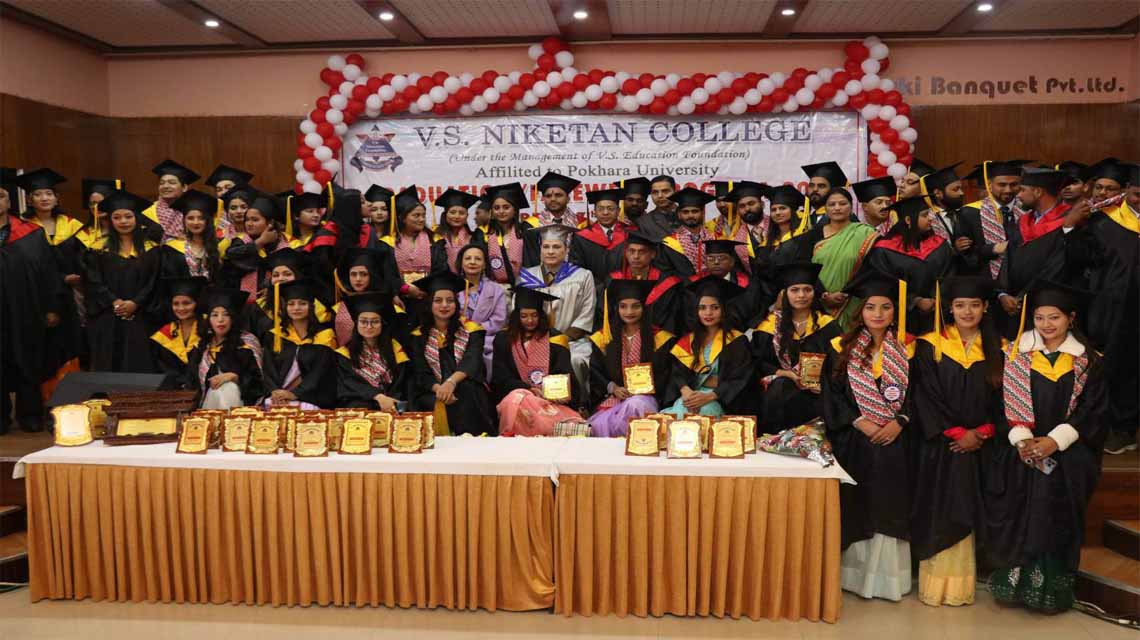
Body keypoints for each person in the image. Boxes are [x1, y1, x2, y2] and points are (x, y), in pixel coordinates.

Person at [984, 280, 1106, 613]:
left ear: (1071, 318)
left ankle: (1050, 591)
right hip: (1021, 452)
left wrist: (1056, 440)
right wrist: (1021, 437)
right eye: (1039, 318)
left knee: (1055, 515)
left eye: (1055, 317)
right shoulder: (1015, 354)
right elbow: (998, 403)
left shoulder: (1088, 361)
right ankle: (1014, 587)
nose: (1047, 325)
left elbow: (1093, 410)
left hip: (1067, 456)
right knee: (1019, 512)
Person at [910, 276, 1005, 607]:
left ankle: (963, 585)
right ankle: (935, 585)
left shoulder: (1000, 348)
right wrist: (955, 432)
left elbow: (1006, 399)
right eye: (960, 305)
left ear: (985, 308)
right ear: (949, 308)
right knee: (941, 510)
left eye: (975, 305)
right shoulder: (930, 345)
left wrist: (983, 432)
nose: (967, 312)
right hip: (941, 445)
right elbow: (924, 394)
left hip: (982, 445)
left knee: (970, 507)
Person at [821, 270, 915, 601]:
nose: (878, 314)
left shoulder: (909, 348)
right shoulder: (840, 347)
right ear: (860, 311)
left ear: (895, 312)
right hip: (855, 440)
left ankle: (889, 582)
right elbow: (831, 395)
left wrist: (900, 421)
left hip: (896, 441)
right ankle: (854, 578)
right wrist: (859, 421)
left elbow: (922, 393)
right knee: (858, 503)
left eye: (886, 307)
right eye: (871, 307)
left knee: (889, 503)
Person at [995, 168, 1094, 338]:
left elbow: (1059, 266)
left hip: (1049, 305)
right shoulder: (1024, 221)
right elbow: (1008, 259)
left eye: (1022, 190)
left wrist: (1023, 297)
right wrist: (1002, 293)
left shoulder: (1073, 219)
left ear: (1038, 192)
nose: (1018, 195)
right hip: (1015, 306)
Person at [0, 168, 62, 433]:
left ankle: (30, 414)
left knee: (27, 359)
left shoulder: (31, 234)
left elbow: (49, 274)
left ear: (9, 201)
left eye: (0, 196)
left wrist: (51, 308)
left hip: (25, 309)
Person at [751, 262, 840, 432]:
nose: (801, 295)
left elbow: (839, 362)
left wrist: (823, 382)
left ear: (814, 293)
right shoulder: (769, 326)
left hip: (817, 392)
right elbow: (757, 362)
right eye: (795, 290)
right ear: (785, 294)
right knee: (781, 386)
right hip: (778, 395)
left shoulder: (828, 325)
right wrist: (787, 374)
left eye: (807, 289)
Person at [14, 168, 84, 381]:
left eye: (49, 194)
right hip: (36, 296)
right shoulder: (20, 229)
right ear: (29, 200)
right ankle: (42, 394)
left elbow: (84, 259)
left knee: (70, 343)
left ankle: (69, 392)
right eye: (38, 194)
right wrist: (61, 278)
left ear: (56, 198)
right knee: (42, 346)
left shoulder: (73, 225)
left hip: (69, 297)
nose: (44, 198)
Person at [1088, 163, 1138, 455]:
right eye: (1136, 194)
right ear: (1127, 191)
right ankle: (1118, 429)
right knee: (1117, 367)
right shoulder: (1103, 223)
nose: (1138, 200)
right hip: (1115, 310)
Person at [83, 189, 161, 373]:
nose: (123, 221)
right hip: (108, 316)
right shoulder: (98, 249)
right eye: (117, 217)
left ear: (137, 218)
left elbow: (154, 281)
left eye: (128, 216)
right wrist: (115, 302)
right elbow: (93, 281)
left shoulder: (152, 249)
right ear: (110, 220)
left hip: (142, 315)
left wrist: (135, 303)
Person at [408, 270, 493, 436]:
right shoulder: (418, 336)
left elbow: (472, 361)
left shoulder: (472, 330)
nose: (444, 305)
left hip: (464, 386)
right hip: (432, 389)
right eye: (438, 300)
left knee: (466, 392)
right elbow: (420, 371)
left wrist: (451, 383)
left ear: (456, 303)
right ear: (429, 303)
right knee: (428, 400)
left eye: (450, 300)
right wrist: (439, 389)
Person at [587, 279, 674, 436]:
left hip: (646, 398)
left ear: (644, 308)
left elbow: (664, 373)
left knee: (635, 404)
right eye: (623, 306)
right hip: (615, 398)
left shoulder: (659, 338)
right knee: (597, 425)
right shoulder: (605, 337)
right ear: (616, 308)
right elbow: (596, 369)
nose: (629, 312)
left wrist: (643, 389)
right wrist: (613, 388)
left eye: (635, 306)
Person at [492, 288, 583, 436]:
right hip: (517, 398)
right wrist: (527, 388)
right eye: (524, 316)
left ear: (541, 315)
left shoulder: (556, 339)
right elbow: (500, 377)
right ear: (517, 316)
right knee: (516, 399)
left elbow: (564, 374)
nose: (530, 320)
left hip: (548, 401)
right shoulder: (504, 339)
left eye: (534, 315)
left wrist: (555, 393)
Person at [516, 224, 596, 390]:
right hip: (534, 338)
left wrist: (562, 339)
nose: (550, 252)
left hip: (572, 340)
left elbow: (586, 314)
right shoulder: (526, 277)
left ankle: (578, 401)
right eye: (546, 247)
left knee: (576, 359)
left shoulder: (583, 276)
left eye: (556, 247)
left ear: (566, 249)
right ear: (540, 250)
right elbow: (518, 312)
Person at [661, 276, 752, 418]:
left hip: (720, 400)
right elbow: (677, 373)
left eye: (715, 307)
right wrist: (685, 390)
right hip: (691, 397)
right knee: (679, 411)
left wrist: (711, 396)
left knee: (702, 412)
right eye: (702, 308)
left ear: (724, 309)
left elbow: (740, 378)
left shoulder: (736, 341)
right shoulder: (688, 340)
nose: (708, 313)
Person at [862, 196, 953, 335]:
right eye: (924, 215)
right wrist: (915, 301)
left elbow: (950, 276)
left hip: (937, 315)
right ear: (908, 220)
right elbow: (882, 285)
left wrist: (935, 300)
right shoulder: (884, 250)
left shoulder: (940, 245)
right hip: (901, 319)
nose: (930, 218)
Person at [806, 188, 879, 330]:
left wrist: (847, 292)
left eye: (842, 203)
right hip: (819, 303)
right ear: (825, 208)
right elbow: (806, 268)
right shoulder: (813, 235)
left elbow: (871, 268)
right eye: (832, 204)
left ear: (851, 207)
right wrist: (824, 295)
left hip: (854, 300)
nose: (837, 208)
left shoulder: (866, 233)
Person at [260, 278, 337, 409]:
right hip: (278, 397)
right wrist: (275, 391)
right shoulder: (275, 335)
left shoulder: (324, 336)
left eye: (302, 303)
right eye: (291, 304)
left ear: (311, 306)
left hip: (312, 398)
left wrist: (295, 394)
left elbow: (320, 373)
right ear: (285, 307)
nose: (296, 308)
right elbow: (268, 369)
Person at [187, 287, 264, 409]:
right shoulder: (201, 347)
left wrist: (235, 377)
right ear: (208, 319)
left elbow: (259, 383)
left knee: (228, 388)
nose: (220, 320)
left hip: (241, 409)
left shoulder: (247, 344)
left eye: (226, 314)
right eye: (214, 315)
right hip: (206, 409)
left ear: (233, 318)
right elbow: (193, 384)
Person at [570, 187, 634, 328]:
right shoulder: (581, 237)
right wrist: (598, 288)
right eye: (601, 209)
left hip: (625, 292)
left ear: (618, 211)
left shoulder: (631, 234)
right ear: (594, 212)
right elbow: (577, 268)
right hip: (592, 293)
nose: (605, 212)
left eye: (610, 209)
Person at [956, 159, 1028, 282]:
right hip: (985, 280)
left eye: (1014, 184)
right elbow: (967, 254)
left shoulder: (1027, 210)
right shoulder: (970, 213)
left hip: (1022, 278)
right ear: (989, 184)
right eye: (1002, 185)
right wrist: (993, 249)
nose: (1008, 190)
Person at [335, 291, 409, 410]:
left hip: (390, 402)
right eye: (363, 321)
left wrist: (390, 401)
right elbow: (349, 383)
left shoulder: (396, 350)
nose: (369, 326)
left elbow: (400, 385)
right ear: (356, 323)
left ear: (382, 324)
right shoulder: (345, 353)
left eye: (375, 321)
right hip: (359, 403)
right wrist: (378, 397)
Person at [222, 192, 289, 300]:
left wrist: (270, 288)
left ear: (270, 222)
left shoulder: (285, 246)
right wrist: (260, 242)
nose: (249, 224)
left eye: (255, 220)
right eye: (247, 219)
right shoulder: (240, 242)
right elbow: (233, 257)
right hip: (243, 302)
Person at [455, 243, 507, 374]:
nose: (472, 262)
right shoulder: (452, 288)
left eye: (478, 259)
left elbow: (498, 320)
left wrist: (476, 329)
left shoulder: (496, 289)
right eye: (468, 258)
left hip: (488, 339)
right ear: (461, 263)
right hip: (458, 337)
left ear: (484, 265)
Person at [331, 247, 401, 345]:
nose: (358, 279)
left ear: (372, 275)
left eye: (364, 274)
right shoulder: (340, 307)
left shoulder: (384, 303)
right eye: (353, 274)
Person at [150, 276, 208, 390]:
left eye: (186, 303)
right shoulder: (166, 332)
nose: (181, 308)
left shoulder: (209, 326)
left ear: (197, 303)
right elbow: (163, 368)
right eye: (176, 304)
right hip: (174, 389)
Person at [161, 189, 225, 281]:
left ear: (208, 221)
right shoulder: (171, 249)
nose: (195, 222)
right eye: (190, 218)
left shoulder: (218, 247)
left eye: (201, 218)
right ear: (184, 221)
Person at [523, 172, 582, 266]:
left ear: (568, 199)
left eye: (558, 195)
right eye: (548, 196)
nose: (553, 199)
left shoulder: (582, 224)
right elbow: (530, 259)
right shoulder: (531, 225)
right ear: (543, 199)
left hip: (575, 273)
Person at [656, 187, 715, 278]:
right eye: (685, 212)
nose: (690, 215)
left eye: (695, 211)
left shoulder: (715, 238)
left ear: (703, 213)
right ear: (679, 215)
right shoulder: (669, 244)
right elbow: (666, 274)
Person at [483, 182, 530, 295]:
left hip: (524, 288)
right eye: (496, 208)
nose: (501, 211)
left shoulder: (524, 232)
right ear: (492, 212)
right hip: (495, 290)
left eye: (506, 207)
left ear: (515, 210)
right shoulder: (485, 235)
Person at [753, 184, 808, 273]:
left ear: (792, 211)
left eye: (782, 208)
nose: (777, 212)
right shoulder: (767, 241)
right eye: (773, 210)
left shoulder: (803, 236)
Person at [145, 159, 200, 240]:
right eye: (162, 183)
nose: (165, 186)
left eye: (172, 182)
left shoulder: (196, 211)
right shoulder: (147, 212)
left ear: (184, 187)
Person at [430, 188, 481, 274]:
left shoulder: (475, 239)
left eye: (461, 213)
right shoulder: (436, 238)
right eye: (452, 212)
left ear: (467, 216)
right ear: (445, 214)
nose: (457, 216)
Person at [633, 175, 679, 241]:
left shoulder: (690, 214)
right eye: (655, 192)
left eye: (665, 191)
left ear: (675, 192)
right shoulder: (643, 222)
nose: (660, 196)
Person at [802, 161, 848, 226]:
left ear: (832, 190)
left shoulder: (845, 218)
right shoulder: (805, 220)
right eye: (811, 185)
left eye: (821, 186)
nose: (815, 189)